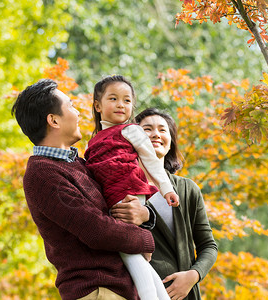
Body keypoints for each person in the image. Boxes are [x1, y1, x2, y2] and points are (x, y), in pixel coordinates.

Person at [11, 79, 156, 300]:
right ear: (53, 120)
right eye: (71, 106)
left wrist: (145, 214)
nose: (78, 113)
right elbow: (96, 230)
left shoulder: (79, 163)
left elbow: (114, 206)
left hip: (120, 289)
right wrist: (146, 240)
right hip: (96, 291)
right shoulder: (42, 174)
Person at [84, 75, 178, 300]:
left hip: (129, 193)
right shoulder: (94, 140)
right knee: (132, 254)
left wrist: (166, 189)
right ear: (98, 105)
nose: (120, 105)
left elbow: (152, 161)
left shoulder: (132, 130)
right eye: (113, 98)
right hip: (112, 197)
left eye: (127, 101)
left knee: (130, 255)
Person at [113, 108, 218, 300]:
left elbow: (208, 245)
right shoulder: (120, 187)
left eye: (163, 130)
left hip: (186, 295)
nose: (156, 134)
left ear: (171, 143)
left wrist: (192, 276)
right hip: (139, 293)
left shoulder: (187, 189)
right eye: (147, 129)